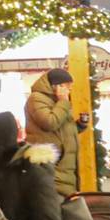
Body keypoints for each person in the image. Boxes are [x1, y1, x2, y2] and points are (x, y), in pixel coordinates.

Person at [24, 68, 85, 197]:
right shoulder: (36, 98)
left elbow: (60, 129)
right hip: (52, 168)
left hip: (64, 168)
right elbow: (49, 122)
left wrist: (78, 126)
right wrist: (63, 101)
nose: (69, 90)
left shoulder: (56, 101)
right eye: (67, 86)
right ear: (57, 85)